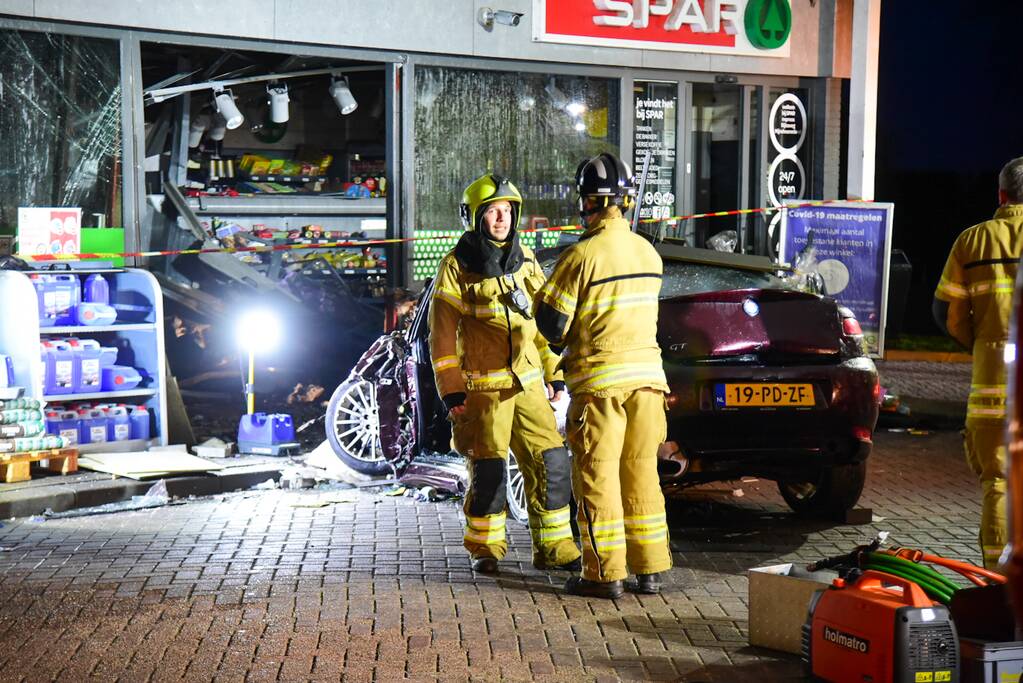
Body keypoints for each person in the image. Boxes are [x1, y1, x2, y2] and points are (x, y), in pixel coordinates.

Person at [533, 152, 672, 599]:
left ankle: (603, 574)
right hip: (649, 383)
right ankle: (650, 569)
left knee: (599, 476)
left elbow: (552, 324)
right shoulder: (648, 252)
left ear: (588, 202)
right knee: (641, 473)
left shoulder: (581, 255)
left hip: (600, 386)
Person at [429, 173, 582, 574]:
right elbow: (441, 336)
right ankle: (485, 547)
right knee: (490, 472)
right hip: (483, 390)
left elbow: (543, 324)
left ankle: (555, 546)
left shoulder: (526, 260)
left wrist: (554, 373)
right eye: (493, 211)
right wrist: (451, 391)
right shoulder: (456, 267)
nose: (502, 219)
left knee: (552, 462)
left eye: (508, 211)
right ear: (475, 216)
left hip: (528, 386)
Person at [933, 156, 1023, 570]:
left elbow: (946, 312)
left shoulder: (972, 241)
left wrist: (983, 343)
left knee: (999, 482)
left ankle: (999, 581)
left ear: (1002, 195)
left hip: (993, 387)